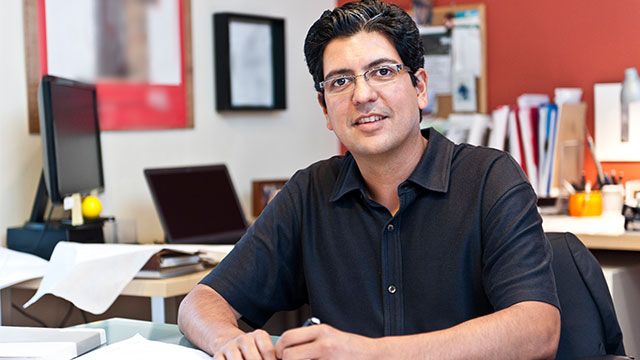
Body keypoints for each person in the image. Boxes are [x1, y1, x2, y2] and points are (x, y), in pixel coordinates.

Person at [178, 1, 561, 358]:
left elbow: (538, 328)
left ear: (420, 87)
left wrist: (370, 353)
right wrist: (229, 340)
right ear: (325, 109)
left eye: (382, 72)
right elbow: (200, 302)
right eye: (340, 82)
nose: (362, 95)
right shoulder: (310, 192)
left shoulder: (489, 178)